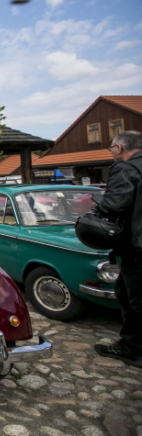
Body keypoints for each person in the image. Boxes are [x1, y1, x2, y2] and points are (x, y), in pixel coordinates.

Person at [94, 130, 142, 367]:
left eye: (111, 147)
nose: (112, 151)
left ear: (120, 148)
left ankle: (133, 348)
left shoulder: (125, 169)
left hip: (136, 247)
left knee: (134, 300)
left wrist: (97, 208)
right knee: (127, 293)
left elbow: (113, 206)